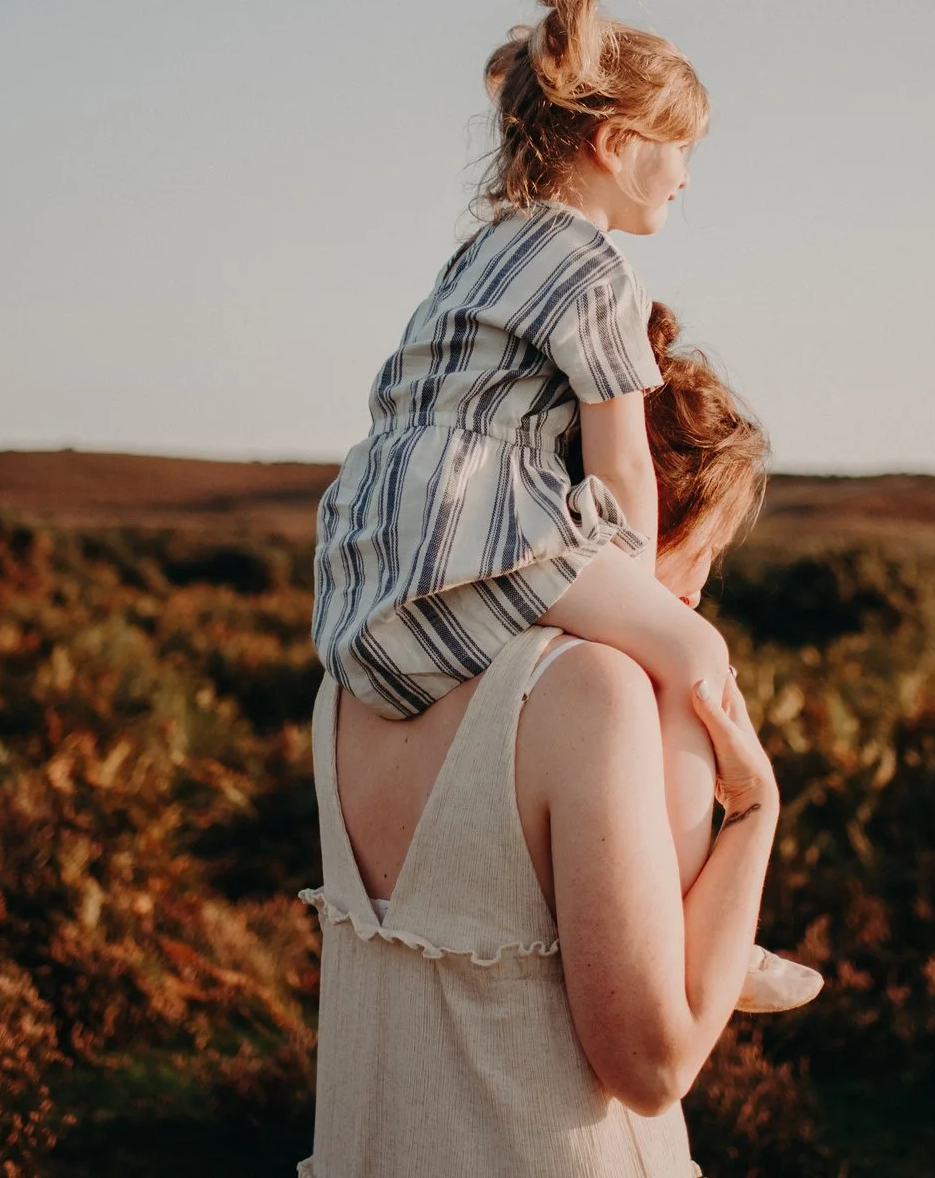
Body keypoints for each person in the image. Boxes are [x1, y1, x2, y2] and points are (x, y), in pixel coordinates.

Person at [308, 0, 816, 1010]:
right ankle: (686, 918)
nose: (686, 177)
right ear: (619, 143)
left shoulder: (482, 250)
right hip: (480, 519)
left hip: (379, 528)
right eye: (681, 152)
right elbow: (623, 458)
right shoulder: (596, 272)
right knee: (690, 650)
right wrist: (630, 591)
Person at [301, 305, 796, 1175]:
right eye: (707, 551)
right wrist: (754, 813)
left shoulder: (354, 681)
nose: (701, 592)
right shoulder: (587, 693)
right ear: (645, 520)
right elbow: (653, 1064)